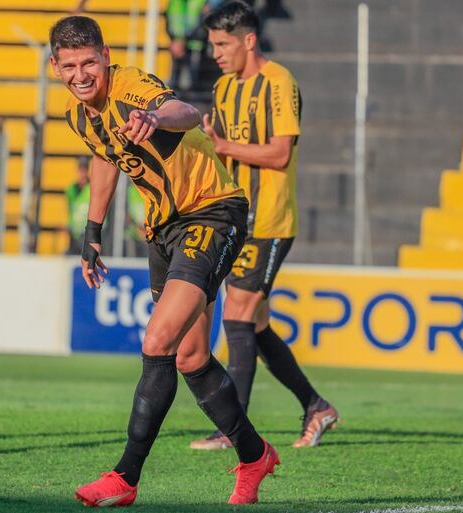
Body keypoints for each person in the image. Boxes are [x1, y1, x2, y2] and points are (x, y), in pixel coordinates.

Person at [49, 15, 279, 506]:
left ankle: (125, 477)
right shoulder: (79, 114)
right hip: (164, 227)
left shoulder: (131, 85)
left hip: (213, 213)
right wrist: (93, 233)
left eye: (89, 62)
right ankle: (255, 455)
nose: (81, 74)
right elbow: (105, 157)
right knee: (190, 356)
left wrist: (156, 118)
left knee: (157, 339)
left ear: (105, 56)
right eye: (69, 66)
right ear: (56, 67)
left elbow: (185, 112)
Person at [190, 1, 337, 451]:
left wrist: (225, 145)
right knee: (253, 327)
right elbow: (221, 151)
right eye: (212, 44)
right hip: (236, 217)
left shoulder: (278, 83)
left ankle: (233, 430)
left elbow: (278, 154)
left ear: (248, 40)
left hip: (269, 220)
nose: (215, 52)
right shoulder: (222, 87)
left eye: (222, 43)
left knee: (236, 316)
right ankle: (316, 406)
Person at [65, 155, 91, 255]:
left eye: (85, 169)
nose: (82, 173)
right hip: (75, 233)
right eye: (81, 169)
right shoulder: (71, 189)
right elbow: (70, 210)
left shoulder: (92, 188)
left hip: (87, 234)